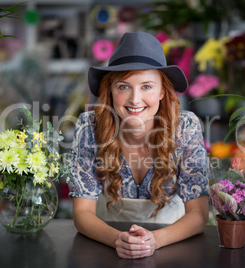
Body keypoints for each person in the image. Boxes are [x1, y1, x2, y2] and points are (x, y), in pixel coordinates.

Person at [67, 32, 209, 259]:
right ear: (110, 90)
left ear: (162, 90)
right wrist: (117, 239)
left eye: (146, 86)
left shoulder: (185, 127)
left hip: (173, 247)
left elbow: (199, 215)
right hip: (105, 245)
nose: (135, 99)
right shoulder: (89, 126)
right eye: (123, 86)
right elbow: (82, 213)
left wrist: (155, 241)